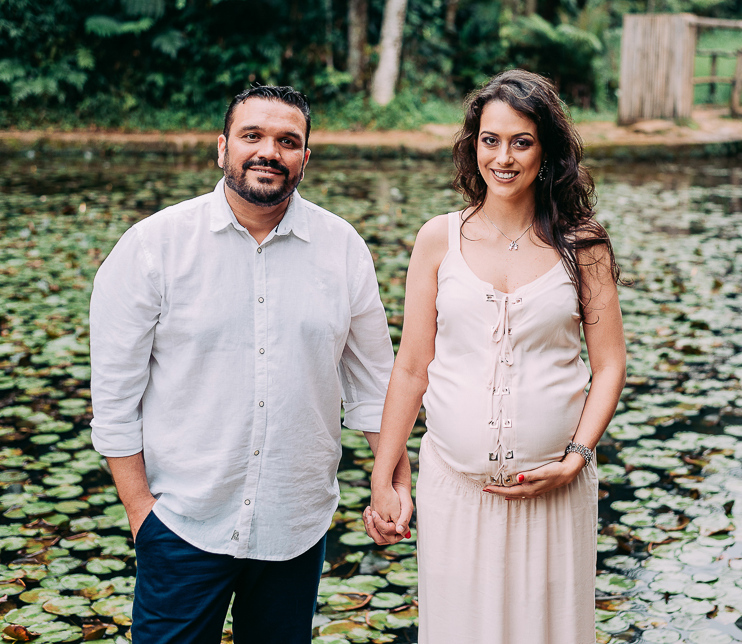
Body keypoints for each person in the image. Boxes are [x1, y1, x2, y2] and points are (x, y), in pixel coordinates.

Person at [89, 84, 413, 644]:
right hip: (181, 523)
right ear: (222, 148)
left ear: (305, 158)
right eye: (252, 136)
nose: (270, 152)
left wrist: (392, 483)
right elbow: (115, 399)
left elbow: (377, 391)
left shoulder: (342, 249)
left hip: (296, 527)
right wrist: (142, 515)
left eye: (288, 141)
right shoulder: (153, 247)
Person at [365, 70, 627, 643]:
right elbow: (412, 366)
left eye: (521, 141)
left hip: (555, 493)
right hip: (455, 492)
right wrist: (383, 473)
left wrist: (577, 457)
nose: (503, 157)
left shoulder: (583, 245)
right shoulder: (439, 239)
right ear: (473, 145)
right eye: (490, 140)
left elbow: (609, 366)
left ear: (547, 151)